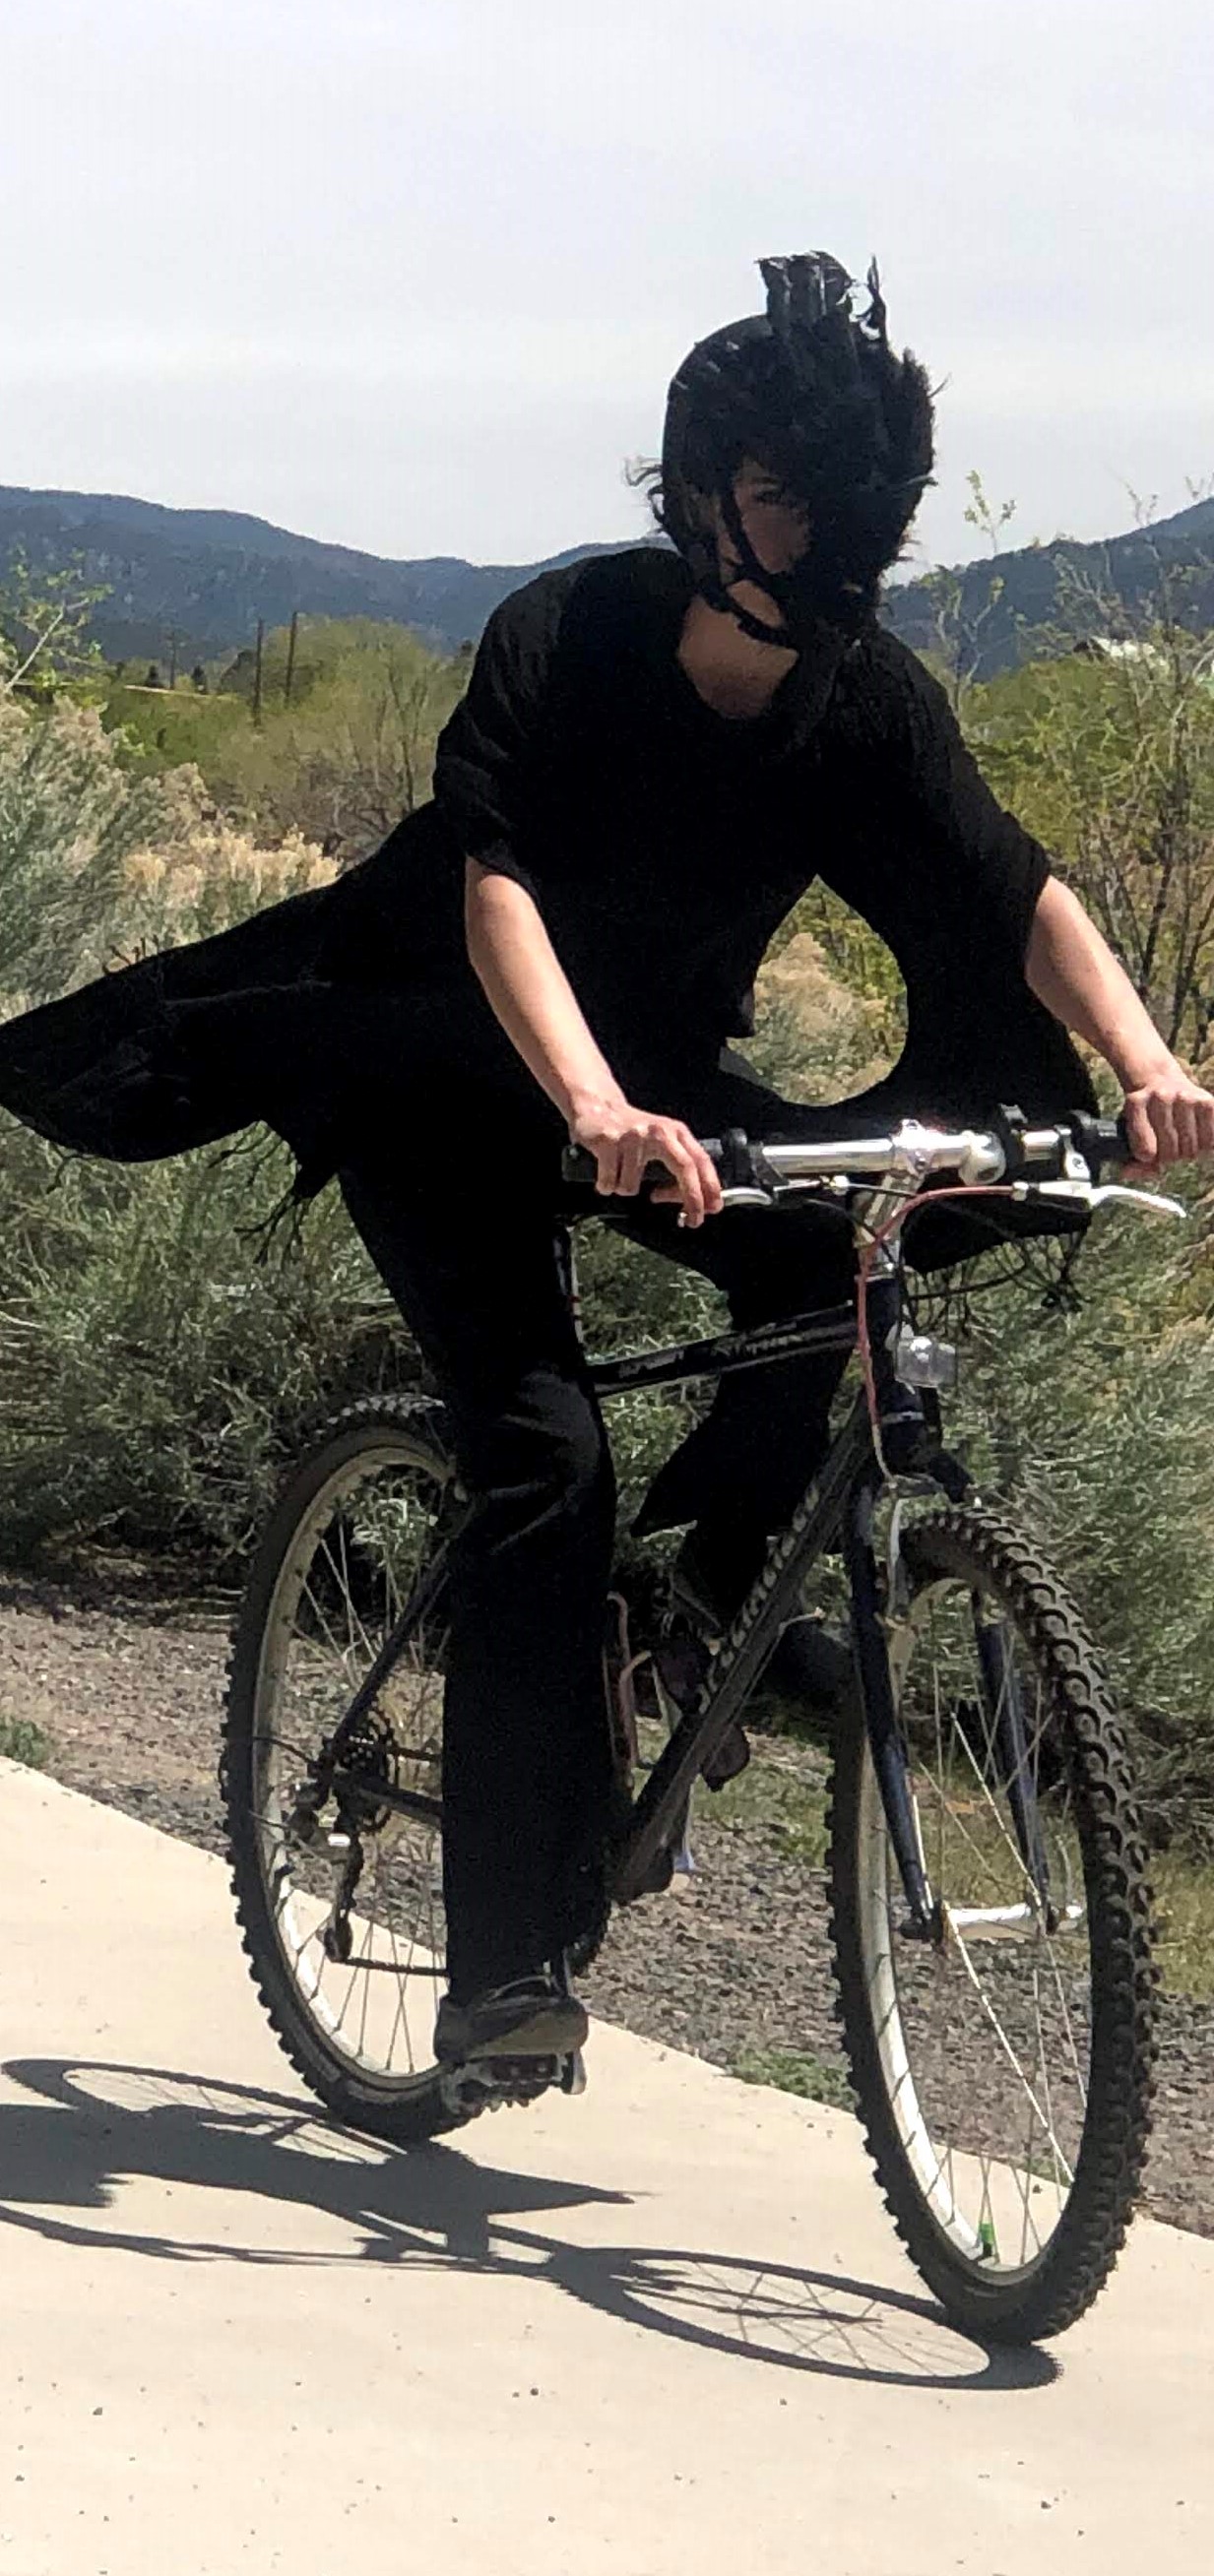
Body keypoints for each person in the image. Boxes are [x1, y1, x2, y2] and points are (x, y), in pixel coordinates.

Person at [1, 251, 1211, 2071]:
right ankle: (504, 1966)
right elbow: (492, 888)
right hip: (436, 1070)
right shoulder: (569, 642)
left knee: (831, 1262)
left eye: (849, 503)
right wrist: (585, 1105)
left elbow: (1010, 884)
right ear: (706, 489)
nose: (824, 539)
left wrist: (1146, 1060)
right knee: (543, 1455)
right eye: (788, 497)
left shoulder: (861, 702)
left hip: (647, 1093)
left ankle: (694, 1598)